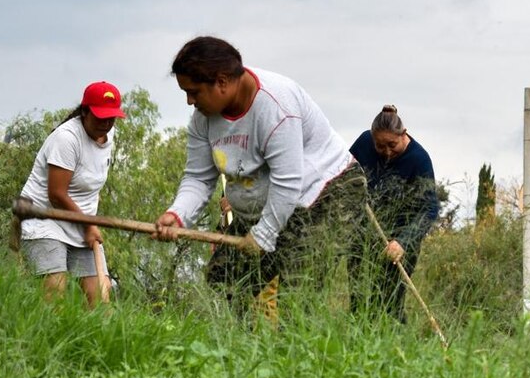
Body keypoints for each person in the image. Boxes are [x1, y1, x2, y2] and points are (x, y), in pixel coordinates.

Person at [152, 36, 367, 317]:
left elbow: (288, 181)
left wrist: (264, 235)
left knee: (297, 297)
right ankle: (238, 356)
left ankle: (295, 358)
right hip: (268, 202)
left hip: (324, 194)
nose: (189, 101)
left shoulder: (276, 106)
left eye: (194, 91)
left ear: (222, 81)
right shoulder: (202, 119)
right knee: (224, 283)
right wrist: (177, 215)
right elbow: (198, 177)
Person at [18, 81, 127, 308]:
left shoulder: (107, 134)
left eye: (111, 118)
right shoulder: (66, 139)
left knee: (100, 300)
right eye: (100, 117)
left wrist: (87, 224)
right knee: (54, 293)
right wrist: (88, 224)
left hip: (80, 221)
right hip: (45, 218)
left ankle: (98, 343)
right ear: (84, 111)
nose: (106, 123)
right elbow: (56, 194)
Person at [349, 105, 439, 322]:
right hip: (363, 235)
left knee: (389, 304)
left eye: (392, 145)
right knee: (359, 301)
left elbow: (429, 208)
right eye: (380, 146)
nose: (387, 152)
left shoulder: (419, 159)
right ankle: (357, 349)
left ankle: (398, 349)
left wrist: (403, 242)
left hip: (399, 241)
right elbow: (345, 173)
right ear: (372, 139)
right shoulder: (363, 143)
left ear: (404, 134)